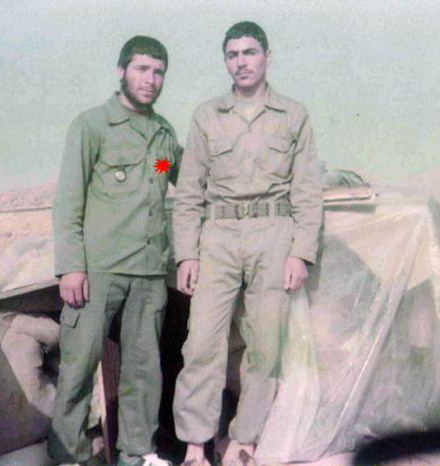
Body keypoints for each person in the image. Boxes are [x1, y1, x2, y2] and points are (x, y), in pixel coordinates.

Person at [172, 21, 323, 466]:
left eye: (250, 52)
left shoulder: (293, 115)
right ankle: (195, 446)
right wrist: (186, 253)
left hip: (273, 234)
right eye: (233, 54)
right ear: (225, 62)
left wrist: (301, 252)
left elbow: (307, 189)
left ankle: (243, 441)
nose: (242, 62)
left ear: (267, 57)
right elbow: (188, 190)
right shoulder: (206, 115)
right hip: (218, 235)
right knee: (202, 342)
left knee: (266, 344)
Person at [48, 35, 182, 466]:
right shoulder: (92, 126)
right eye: (142, 69)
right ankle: (67, 456)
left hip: (148, 271)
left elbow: (176, 174)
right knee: (78, 367)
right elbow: (69, 201)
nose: (150, 79)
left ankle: (136, 453)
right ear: (121, 71)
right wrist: (71, 266)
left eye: (158, 72)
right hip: (98, 270)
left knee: (144, 372)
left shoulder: (162, 135)